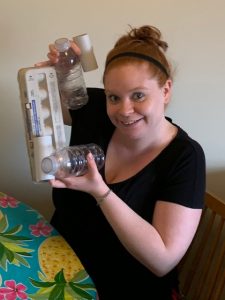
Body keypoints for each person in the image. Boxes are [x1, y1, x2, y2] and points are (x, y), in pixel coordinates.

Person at [37, 25, 206, 299]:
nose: (124, 111)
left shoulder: (185, 158)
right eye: (113, 97)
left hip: (125, 287)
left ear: (165, 91)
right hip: (59, 268)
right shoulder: (96, 113)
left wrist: (100, 192)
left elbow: (162, 260)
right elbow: (42, 102)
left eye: (138, 95)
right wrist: (59, 73)